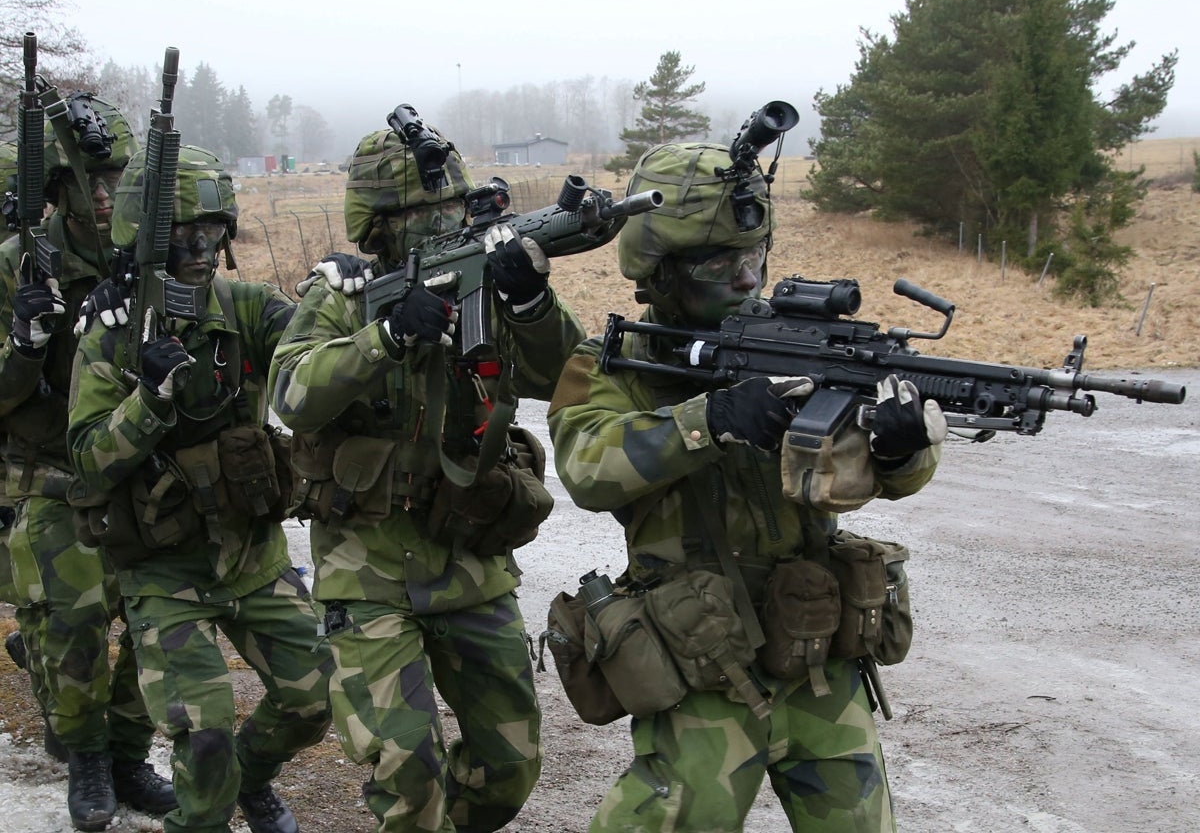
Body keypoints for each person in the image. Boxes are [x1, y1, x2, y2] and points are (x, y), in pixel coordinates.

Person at [547, 141, 946, 832]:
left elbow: (886, 476)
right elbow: (586, 465)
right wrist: (709, 419)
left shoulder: (798, 343)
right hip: (701, 656)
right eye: (717, 264)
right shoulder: (616, 362)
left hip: (815, 643)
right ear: (660, 272)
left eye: (753, 258)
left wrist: (902, 447)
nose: (744, 280)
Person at [269, 124, 585, 832]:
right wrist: (382, 340)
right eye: (419, 215)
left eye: (448, 209)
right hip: (368, 568)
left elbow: (569, 378)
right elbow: (291, 391)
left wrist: (532, 306)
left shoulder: (484, 278)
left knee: (510, 766)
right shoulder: (346, 296)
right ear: (378, 224)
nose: (440, 223)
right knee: (409, 774)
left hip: (469, 555)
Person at [67, 144, 333, 833]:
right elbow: (90, 461)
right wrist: (148, 396)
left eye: (216, 231)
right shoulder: (110, 338)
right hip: (163, 573)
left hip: (253, 557)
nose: (203, 248)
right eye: (185, 233)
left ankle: (255, 777)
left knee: (311, 700)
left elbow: (310, 349)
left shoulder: (243, 307)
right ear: (143, 240)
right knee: (203, 737)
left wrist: (345, 292)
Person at [0, 96, 177, 831]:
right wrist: (26, 343)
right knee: (69, 624)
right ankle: (86, 756)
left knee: (158, 620)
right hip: (51, 475)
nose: (105, 194)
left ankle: (130, 752)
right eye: (87, 180)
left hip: (138, 466)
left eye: (115, 178)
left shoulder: (150, 257)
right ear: (56, 190)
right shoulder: (14, 267)